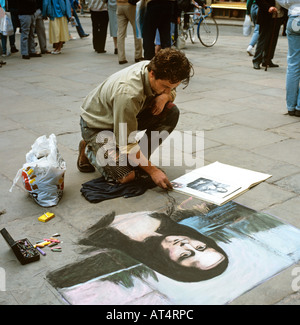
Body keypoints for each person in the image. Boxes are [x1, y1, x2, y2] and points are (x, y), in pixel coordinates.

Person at [77, 48, 193, 190]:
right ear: (152, 74)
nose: (169, 90)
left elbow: (169, 90)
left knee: (171, 112)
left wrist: (165, 96)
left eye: (173, 87)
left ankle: (137, 161)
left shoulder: (156, 68)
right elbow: (127, 144)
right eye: (165, 87)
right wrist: (153, 170)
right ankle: (89, 148)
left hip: (125, 117)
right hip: (97, 126)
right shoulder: (128, 93)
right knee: (125, 176)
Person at [78, 208, 229, 282]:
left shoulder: (119, 242)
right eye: (200, 247)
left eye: (185, 255)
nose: (186, 245)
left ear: (170, 264)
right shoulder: (167, 221)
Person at [276, 0, 300, 116]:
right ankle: (299, 106)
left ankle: (291, 106)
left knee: (293, 64)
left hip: (293, 18)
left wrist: (290, 5)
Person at [252, 0, 284, 69]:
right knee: (263, 39)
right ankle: (257, 60)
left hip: (278, 16)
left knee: (273, 40)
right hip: (267, 16)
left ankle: (267, 60)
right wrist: (268, 7)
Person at [116, 0, 142, 64]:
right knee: (136, 30)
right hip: (129, 5)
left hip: (119, 5)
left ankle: (121, 57)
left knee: (120, 33)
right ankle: (138, 55)